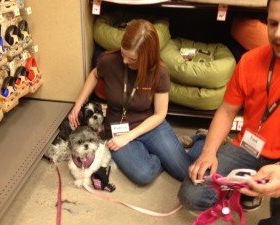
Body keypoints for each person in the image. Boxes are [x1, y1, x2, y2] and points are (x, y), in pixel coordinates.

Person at [178, 0, 280, 223]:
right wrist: (209, 151)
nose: (278, 34)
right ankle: (243, 186)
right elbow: (226, 111)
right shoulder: (249, 61)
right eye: (273, 23)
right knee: (191, 194)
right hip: (249, 147)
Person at [68, 19, 202, 185]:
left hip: (149, 125)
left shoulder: (159, 72)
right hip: (117, 129)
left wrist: (130, 137)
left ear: (146, 57)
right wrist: (78, 104)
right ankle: (162, 154)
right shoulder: (108, 60)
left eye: (132, 58)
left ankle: (200, 139)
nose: (124, 61)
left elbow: (160, 114)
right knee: (143, 175)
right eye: (123, 54)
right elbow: (95, 75)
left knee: (185, 172)